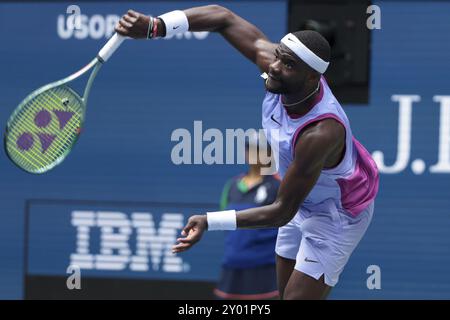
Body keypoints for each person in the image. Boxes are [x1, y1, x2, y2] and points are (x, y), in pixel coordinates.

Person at [115, 5, 379, 299]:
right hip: (301, 200)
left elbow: (281, 211)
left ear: (311, 79)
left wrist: (209, 220)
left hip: (337, 214)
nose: (275, 67)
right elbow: (222, 18)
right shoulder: (276, 70)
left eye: (288, 64)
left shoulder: (321, 132)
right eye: (278, 56)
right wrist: (156, 26)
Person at [214, 133, 280, 300]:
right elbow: (224, 222)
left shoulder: (279, 185)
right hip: (232, 266)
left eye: (260, 150)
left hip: (265, 270)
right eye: (250, 149)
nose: (254, 154)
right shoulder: (232, 185)